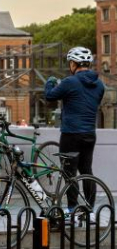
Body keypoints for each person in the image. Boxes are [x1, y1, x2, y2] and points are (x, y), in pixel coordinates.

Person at [45, 46, 104, 218]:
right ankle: (89, 209)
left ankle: (72, 208)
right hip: (89, 134)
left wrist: (50, 81)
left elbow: (49, 96)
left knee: (69, 173)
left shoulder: (70, 82)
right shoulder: (100, 84)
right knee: (86, 171)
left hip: (71, 134)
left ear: (73, 63)